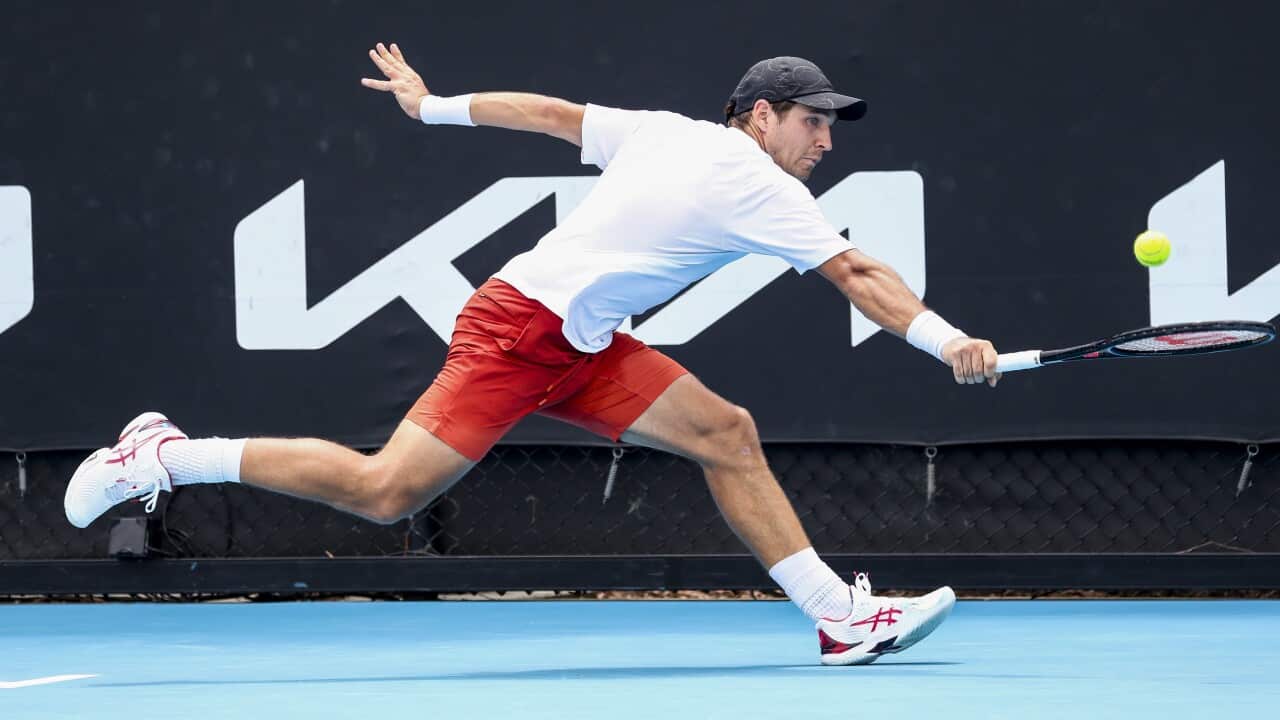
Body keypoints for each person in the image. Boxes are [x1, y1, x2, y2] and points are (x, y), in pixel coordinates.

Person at [65, 45, 1001, 666]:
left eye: (830, 125)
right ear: (762, 115)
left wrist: (431, 108)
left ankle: (837, 617)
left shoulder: (665, 130)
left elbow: (552, 113)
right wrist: (948, 339)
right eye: (813, 122)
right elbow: (857, 271)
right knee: (384, 491)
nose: (826, 141)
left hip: (580, 342)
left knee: (726, 432)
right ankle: (164, 455)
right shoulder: (760, 184)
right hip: (519, 331)